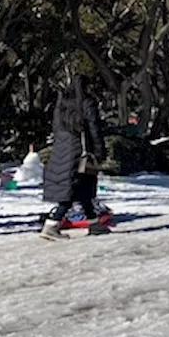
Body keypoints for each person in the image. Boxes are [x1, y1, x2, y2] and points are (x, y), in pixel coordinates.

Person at [40, 77, 109, 241]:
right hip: (80, 151)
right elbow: (94, 128)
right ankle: (52, 224)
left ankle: (93, 223)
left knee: (82, 188)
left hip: (61, 150)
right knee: (72, 190)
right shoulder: (86, 103)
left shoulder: (61, 105)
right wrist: (99, 151)